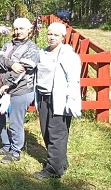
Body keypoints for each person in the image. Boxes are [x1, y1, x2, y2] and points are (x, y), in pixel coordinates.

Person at [34, 22, 81, 180]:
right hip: (43, 97)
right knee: (46, 131)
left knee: (57, 133)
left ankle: (53, 170)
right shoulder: (42, 52)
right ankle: (60, 161)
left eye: (56, 35)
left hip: (59, 99)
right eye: (49, 34)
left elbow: (73, 80)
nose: (51, 37)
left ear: (63, 37)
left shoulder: (68, 55)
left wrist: (71, 100)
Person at [0, 17, 40, 164]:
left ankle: (15, 151)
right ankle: (6, 145)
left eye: (21, 29)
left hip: (21, 90)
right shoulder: (8, 44)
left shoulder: (32, 48)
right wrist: (11, 64)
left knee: (15, 122)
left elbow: (24, 69)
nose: (18, 31)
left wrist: (9, 83)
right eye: (16, 28)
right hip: (2, 88)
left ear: (29, 30)